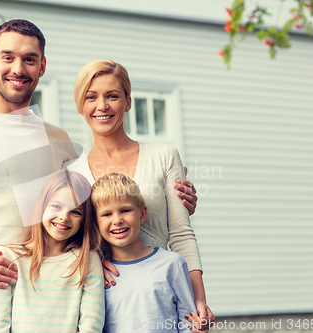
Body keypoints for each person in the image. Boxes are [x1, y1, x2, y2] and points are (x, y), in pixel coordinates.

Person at [0, 20, 197, 332]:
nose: (18, 68)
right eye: (7, 57)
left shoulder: (59, 140)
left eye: (29, 59)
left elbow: (91, 206)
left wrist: (167, 198)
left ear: (41, 67)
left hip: (52, 304)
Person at [68, 59, 214, 328]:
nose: (102, 106)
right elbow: (69, 243)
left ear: (128, 102)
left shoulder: (163, 155)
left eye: (112, 96)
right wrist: (90, 264)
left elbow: (181, 233)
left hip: (158, 298)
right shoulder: (72, 173)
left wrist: (198, 300)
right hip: (103, 302)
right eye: (92, 97)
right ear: (80, 105)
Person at [0, 170, 104, 333]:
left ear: (84, 219)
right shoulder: (7, 258)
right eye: (56, 206)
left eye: (75, 211)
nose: (64, 217)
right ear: (41, 207)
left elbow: (92, 323)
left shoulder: (87, 260)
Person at [91, 173, 198, 333]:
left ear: (142, 214)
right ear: (95, 222)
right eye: (107, 214)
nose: (117, 220)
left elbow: (188, 324)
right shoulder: (98, 274)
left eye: (125, 210)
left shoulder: (172, 264)